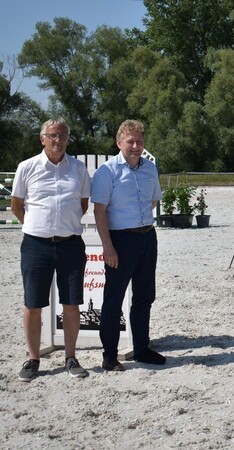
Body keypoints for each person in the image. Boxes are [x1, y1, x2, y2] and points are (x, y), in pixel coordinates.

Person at [11, 118, 90, 382]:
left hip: (70, 244)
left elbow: (83, 204)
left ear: (68, 139)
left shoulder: (78, 169)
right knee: (33, 304)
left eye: (64, 135)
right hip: (36, 245)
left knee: (71, 303)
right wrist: (37, 227)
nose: (59, 140)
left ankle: (70, 357)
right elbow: (16, 205)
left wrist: (62, 225)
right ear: (42, 138)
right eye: (53, 135)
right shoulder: (27, 167)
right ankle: (33, 358)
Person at [92, 119, 165, 371]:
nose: (135, 146)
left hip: (147, 237)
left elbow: (153, 202)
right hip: (120, 241)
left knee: (145, 296)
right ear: (119, 142)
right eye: (130, 141)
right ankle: (109, 355)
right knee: (114, 299)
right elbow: (99, 211)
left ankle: (142, 348)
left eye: (140, 142)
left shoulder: (150, 169)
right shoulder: (107, 172)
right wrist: (108, 246)